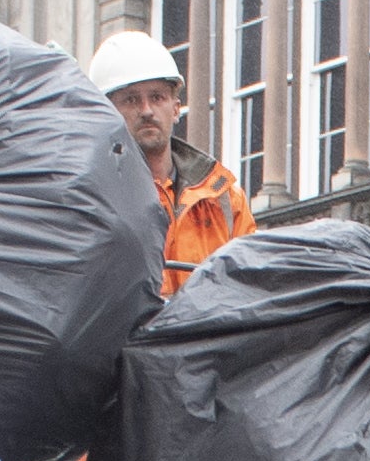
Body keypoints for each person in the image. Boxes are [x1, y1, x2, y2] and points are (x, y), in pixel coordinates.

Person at [88, 29, 253, 296]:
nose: (147, 110)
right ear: (106, 112)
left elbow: (252, 286)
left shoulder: (224, 197)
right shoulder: (93, 197)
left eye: (157, 97)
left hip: (208, 336)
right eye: (131, 99)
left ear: (176, 108)